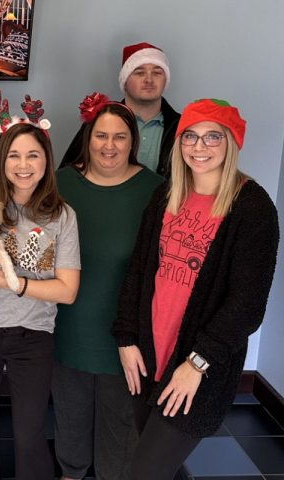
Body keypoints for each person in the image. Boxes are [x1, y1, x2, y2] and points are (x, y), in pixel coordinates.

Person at [112, 99, 279, 480]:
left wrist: (196, 364)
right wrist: (125, 337)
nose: (199, 146)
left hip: (197, 368)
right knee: (158, 466)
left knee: (145, 471)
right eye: (191, 136)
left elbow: (248, 305)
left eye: (212, 137)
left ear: (231, 143)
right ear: (179, 141)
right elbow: (138, 269)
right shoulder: (165, 195)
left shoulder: (252, 207)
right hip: (148, 355)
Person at [0, 110, 81, 480]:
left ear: (46, 160)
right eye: (14, 155)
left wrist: (8, 283)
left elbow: (68, 291)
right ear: (1, 160)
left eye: (33, 155)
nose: (23, 165)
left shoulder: (62, 216)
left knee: (29, 435)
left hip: (33, 337)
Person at [52, 93, 164, 480]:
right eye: (101, 135)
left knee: (120, 435)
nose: (110, 146)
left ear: (133, 142)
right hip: (66, 329)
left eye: (120, 137)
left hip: (126, 338)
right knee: (70, 422)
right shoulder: (61, 183)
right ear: (88, 138)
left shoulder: (157, 191)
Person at [60, 42, 181, 177]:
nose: (149, 79)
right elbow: (68, 173)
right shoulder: (99, 121)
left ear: (165, 80)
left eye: (157, 73)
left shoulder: (182, 126)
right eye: (140, 73)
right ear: (125, 81)